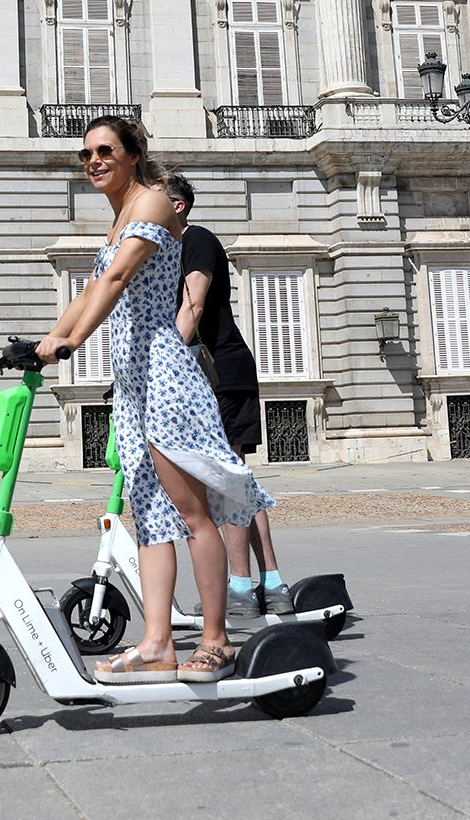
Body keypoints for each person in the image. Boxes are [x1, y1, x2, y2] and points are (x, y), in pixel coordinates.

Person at [36, 117, 271, 684]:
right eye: (86, 154)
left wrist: (70, 342)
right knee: (150, 517)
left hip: (166, 374)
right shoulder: (119, 218)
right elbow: (92, 288)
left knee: (191, 512)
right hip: (134, 381)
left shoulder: (157, 204)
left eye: (105, 150)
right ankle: (157, 642)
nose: (93, 161)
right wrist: (42, 339)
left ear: (135, 154)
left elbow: (116, 280)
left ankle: (217, 640)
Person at [164, 174, 289, 617]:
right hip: (203, 373)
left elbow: (193, 306)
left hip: (219, 372)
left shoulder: (196, 239)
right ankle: (271, 582)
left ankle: (240, 586)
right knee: (234, 478)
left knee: (225, 479)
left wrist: (162, 361)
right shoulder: (166, 252)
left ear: (177, 205)